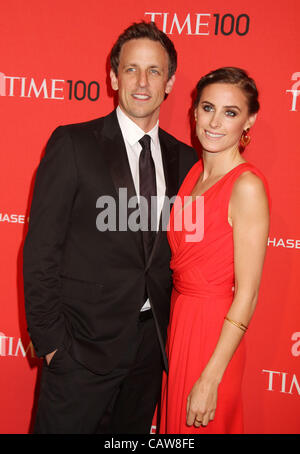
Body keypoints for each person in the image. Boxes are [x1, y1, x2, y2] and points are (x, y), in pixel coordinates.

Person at [23, 21, 198, 434]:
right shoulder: (73, 144)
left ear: (169, 82)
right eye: (131, 69)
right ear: (113, 76)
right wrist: (52, 345)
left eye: (154, 71)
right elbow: (41, 250)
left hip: (148, 355)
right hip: (79, 352)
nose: (142, 81)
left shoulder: (187, 160)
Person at [159, 67, 270, 434]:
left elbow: (249, 294)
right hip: (180, 323)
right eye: (208, 108)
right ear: (194, 111)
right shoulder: (193, 175)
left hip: (213, 334)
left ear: (249, 120)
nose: (215, 122)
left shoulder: (246, 186)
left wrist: (211, 377)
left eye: (231, 112)